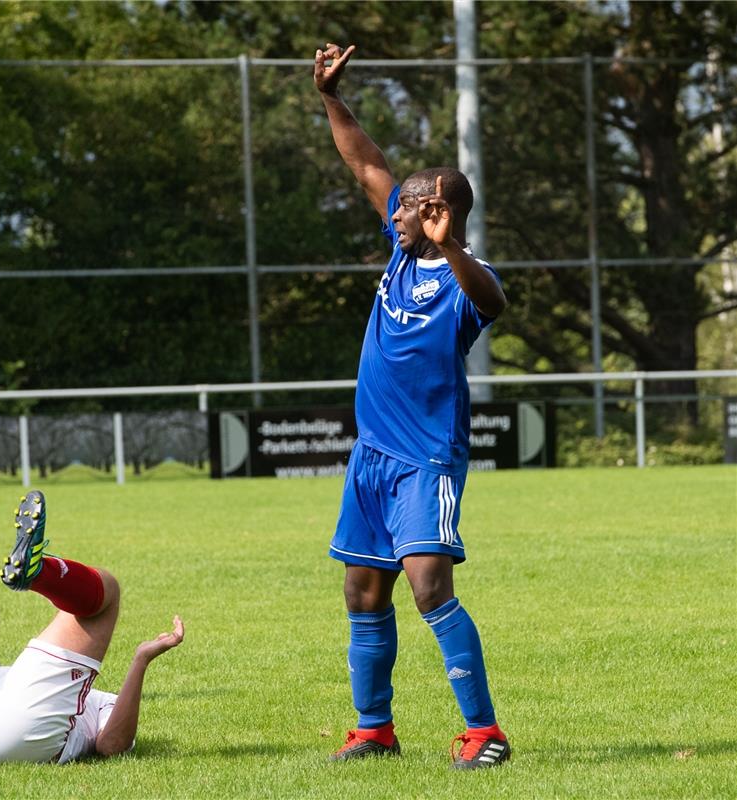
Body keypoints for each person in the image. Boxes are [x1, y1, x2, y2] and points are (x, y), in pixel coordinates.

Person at [314, 44, 511, 769]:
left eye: (408, 205)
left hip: (425, 458)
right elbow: (365, 164)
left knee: (429, 586)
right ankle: (373, 729)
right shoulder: (396, 254)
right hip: (371, 457)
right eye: (397, 205)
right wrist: (333, 99)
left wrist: (451, 246)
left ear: (439, 211)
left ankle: (483, 732)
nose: (393, 209)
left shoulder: (467, 275)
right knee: (361, 591)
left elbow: (493, 303)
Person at [0, 489, 184, 763]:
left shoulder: (32, 685)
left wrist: (141, 660)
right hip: (19, 733)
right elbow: (112, 744)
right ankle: (26, 574)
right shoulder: (96, 701)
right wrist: (140, 660)